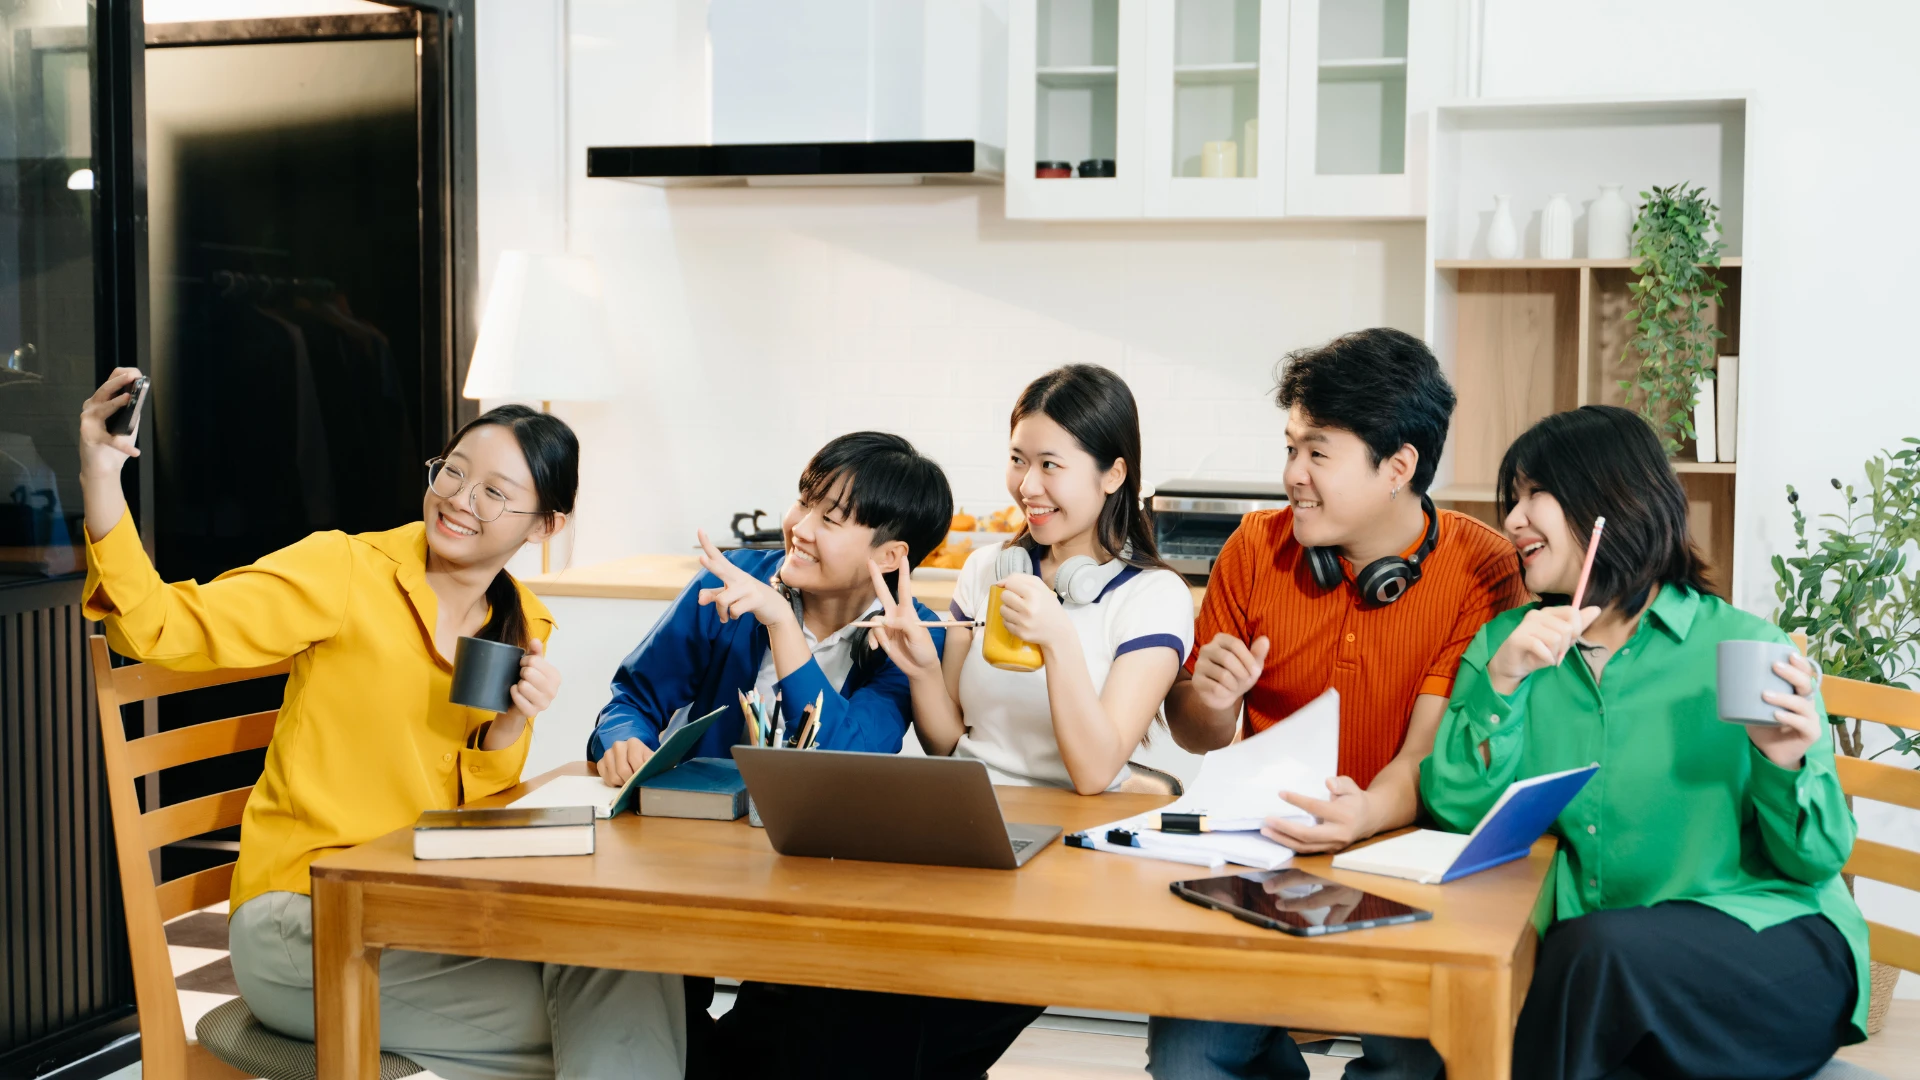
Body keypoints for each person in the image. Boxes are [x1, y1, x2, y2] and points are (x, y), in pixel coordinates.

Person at [76, 369, 684, 1080]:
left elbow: (468, 818)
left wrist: (508, 731)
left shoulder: (521, 622)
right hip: (305, 923)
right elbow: (157, 628)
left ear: (544, 526)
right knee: (609, 1019)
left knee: (628, 965)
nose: (460, 499)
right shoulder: (346, 572)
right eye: (453, 473)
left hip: (419, 915)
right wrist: (101, 476)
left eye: (495, 492)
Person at [1420, 405, 1868, 1080]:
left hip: (1770, 954)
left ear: (1612, 501)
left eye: (1534, 493)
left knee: (1591, 960)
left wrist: (1786, 763)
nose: (1511, 520)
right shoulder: (1507, 648)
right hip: (1608, 981)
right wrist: (1503, 687)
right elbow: (1456, 815)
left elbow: (1814, 863)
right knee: (1590, 979)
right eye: (1511, 499)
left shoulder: (1744, 650)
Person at [1150, 328, 1529, 1080]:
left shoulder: (1482, 567)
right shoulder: (1255, 547)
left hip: (1412, 863)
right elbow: (1193, 731)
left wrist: (1361, 816)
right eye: (1290, 447)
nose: (1293, 475)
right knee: (1188, 1062)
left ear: (1398, 467)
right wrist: (1214, 701)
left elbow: (1429, 751)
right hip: (1266, 856)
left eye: (1317, 453)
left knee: (1421, 1056)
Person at [581, 431, 957, 1080]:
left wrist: (782, 629)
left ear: (890, 553)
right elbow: (633, 695)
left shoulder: (906, 633)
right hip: (696, 860)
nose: (800, 527)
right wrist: (622, 739)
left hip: (819, 881)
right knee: (648, 1004)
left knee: (808, 1032)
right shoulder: (732, 582)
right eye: (804, 500)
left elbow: (845, 762)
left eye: (831, 518)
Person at [871, 362, 1196, 796]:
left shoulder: (1155, 596)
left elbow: (1095, 774)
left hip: (1079, 830)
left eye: (1050, 465)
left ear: (1113, 475)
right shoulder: (987, 569)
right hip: (974, 809)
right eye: (1018, 460)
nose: (1027, 486)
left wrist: (1058, 640)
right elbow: (947, 746)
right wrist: (924, 672)